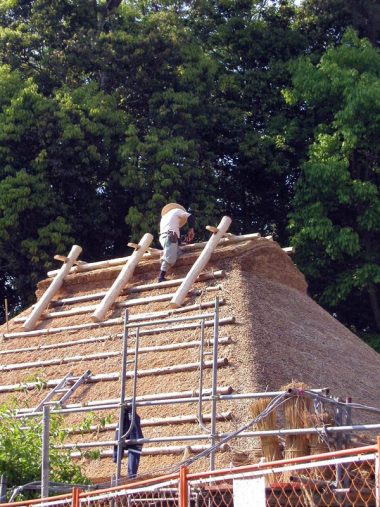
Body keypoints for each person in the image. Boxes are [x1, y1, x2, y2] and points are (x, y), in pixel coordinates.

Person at [158, 203, 195, 282]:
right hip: (170, 236)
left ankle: (164, 254)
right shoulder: (177, 210)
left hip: (164, 237)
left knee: (178, 253)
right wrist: (191, 229)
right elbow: (190, 216)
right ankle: (161, 277)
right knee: (170, 258)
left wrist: (181, 242)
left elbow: (171, 230)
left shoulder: (164, 218)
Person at [113, 406, 144, 479]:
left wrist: (116, 456)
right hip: (132, 437)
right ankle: (131, 475)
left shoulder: (123, 419)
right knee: (135, 445)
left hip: (132, 437)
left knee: (134, 445)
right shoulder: (124, 419)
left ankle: (131, 475)